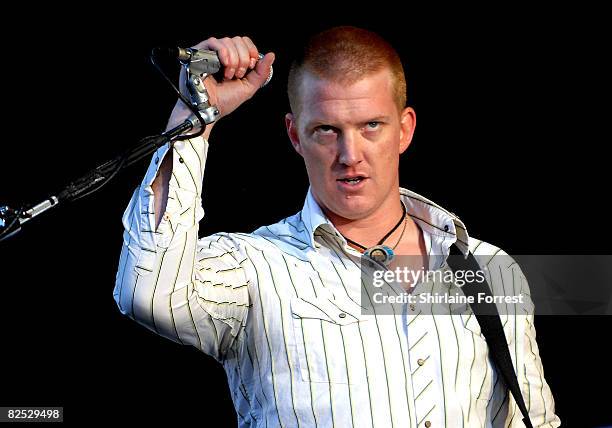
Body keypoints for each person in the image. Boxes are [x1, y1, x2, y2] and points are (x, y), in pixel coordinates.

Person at [113, 26, 560, 427]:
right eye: (327, 130)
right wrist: (196, 117)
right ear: (295, 136)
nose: (350, 154)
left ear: (404, 130)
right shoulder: (256, 266)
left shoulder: (488, 269)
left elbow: (532, 421)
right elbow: (147, 293)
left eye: (371, 126)